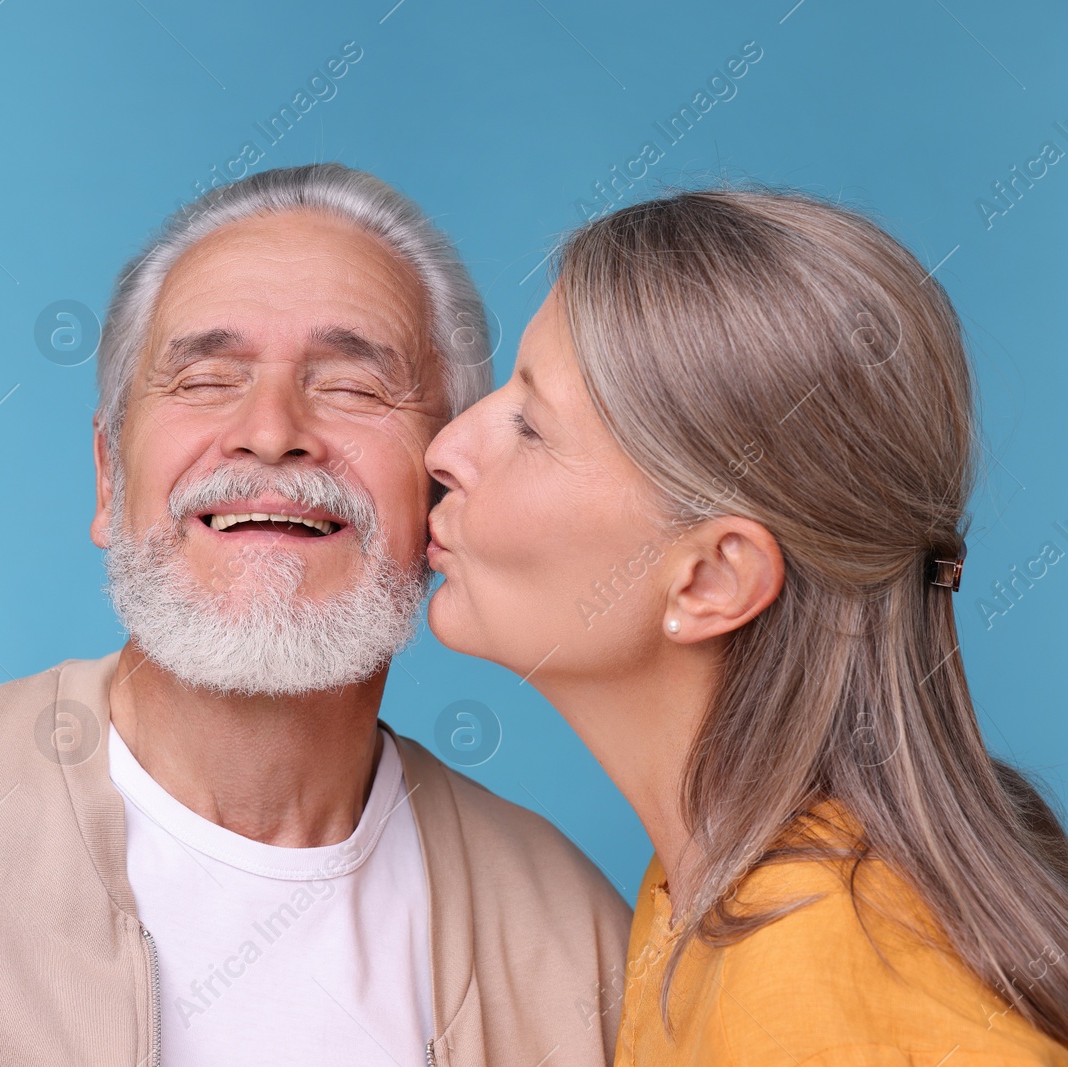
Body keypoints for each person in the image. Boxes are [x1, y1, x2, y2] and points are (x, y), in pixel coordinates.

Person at [0, 163, 631, 1067]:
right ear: (106, 475)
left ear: (445, 484)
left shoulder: (579, 948)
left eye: (353, 385)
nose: (271, 431)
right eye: (207, 376)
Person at [423, 185, 1068, 1065]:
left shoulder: (809, 981)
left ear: (713, 578)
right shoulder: (707, 892)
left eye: (531, 425)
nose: (445, 448)